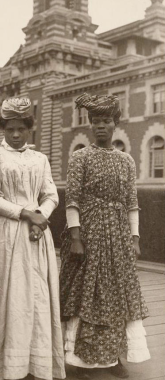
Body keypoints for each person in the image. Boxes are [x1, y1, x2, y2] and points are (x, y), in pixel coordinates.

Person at [0, 97, 65, 380]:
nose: (16, 134)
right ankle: (1, 367)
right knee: (4, 297)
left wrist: (39, 216)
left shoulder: (40, 159)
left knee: (34, 296)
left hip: (36, 236)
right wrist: (25, 214)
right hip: (3, 234)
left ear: (30, 129)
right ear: (3, 129)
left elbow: (51, 195)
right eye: (10, 129)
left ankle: (32, 363)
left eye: (21, 128)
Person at [59, 93, 150, 379]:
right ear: (90, 125)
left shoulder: (126, 160)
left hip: (118, 235)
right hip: (88, 232)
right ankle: (77, 358)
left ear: (115, 124)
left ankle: (113, 357)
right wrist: (76, 238)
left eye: (106, 121)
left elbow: (131, 201)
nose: (101, 126)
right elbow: (72, 199)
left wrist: (134, 238)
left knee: (117, 294)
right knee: (87, 292)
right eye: (96, 121)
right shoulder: (80, 157)